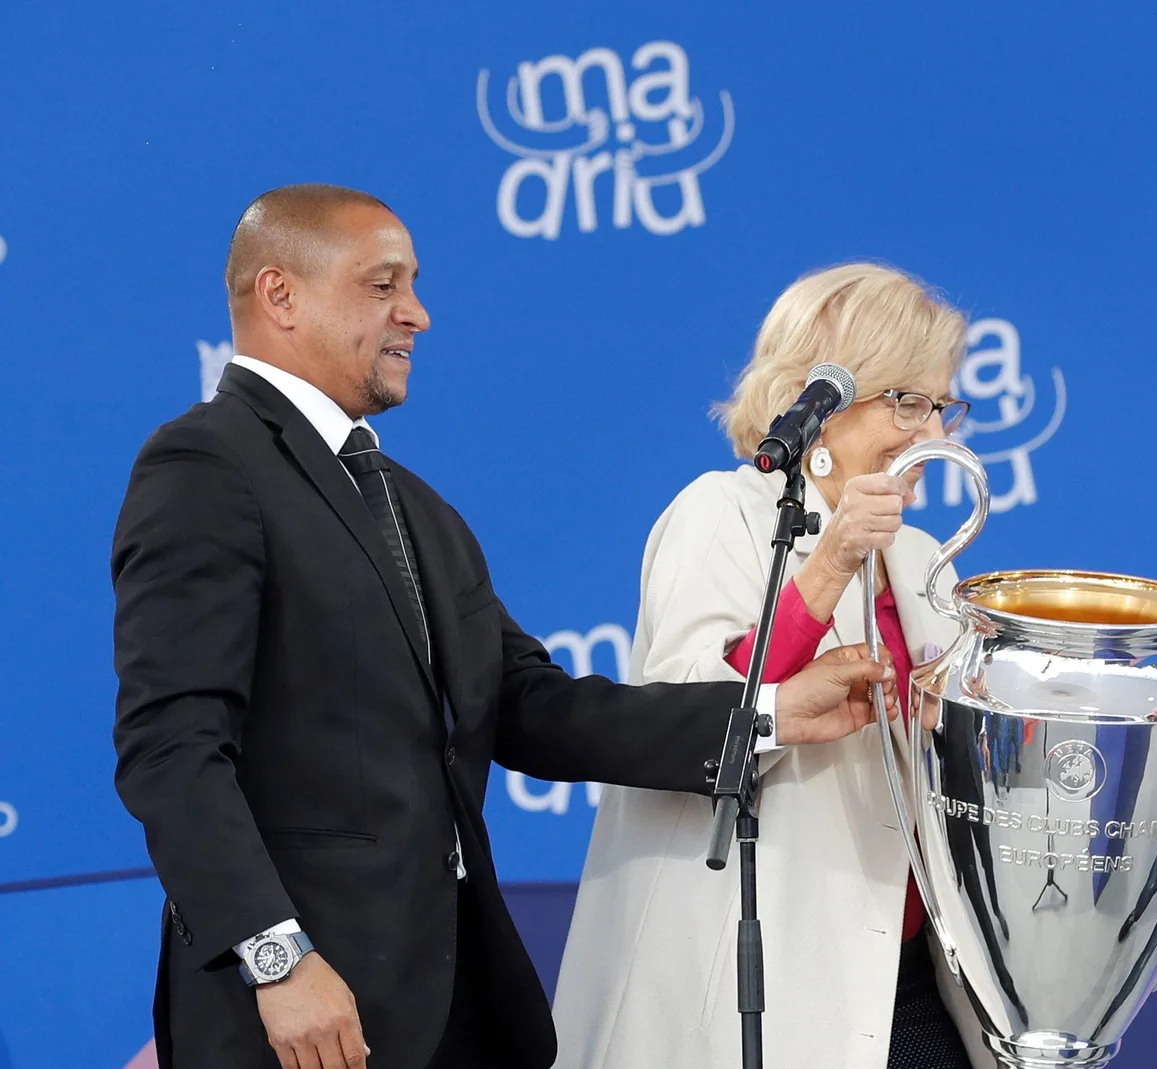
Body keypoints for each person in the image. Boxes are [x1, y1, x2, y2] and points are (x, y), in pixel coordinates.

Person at [110, 185, 891, 1069]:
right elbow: (171, 748)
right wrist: (276, 957)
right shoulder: (206, 464)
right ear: (280, 295)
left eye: (413, 284)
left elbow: (531, 705)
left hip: (449, 1009)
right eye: (383, 286)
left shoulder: (412, 507)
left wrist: (769, 713)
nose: (419, 313)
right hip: (294, 1015)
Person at [551, 263, 993, 1069]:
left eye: (942, 405)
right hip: (750, 981)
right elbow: (687, 715)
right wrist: (826, 567)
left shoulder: (928, 560)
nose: (935, 434)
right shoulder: (719, 512)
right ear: (817, 404)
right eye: (908, 402)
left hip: (908, 982)